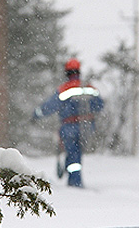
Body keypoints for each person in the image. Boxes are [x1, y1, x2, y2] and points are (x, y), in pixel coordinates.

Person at [33, 58, 104, 187]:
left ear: (67, 73)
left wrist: (36, 114)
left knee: (73, 153)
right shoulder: (88, 87)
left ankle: (75, 182)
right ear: (79, 72)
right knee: (77, 153)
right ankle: (73, 176)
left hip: (69, 127)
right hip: (87, 127)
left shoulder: (64, 89)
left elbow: (50, 106)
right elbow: (100, 105)